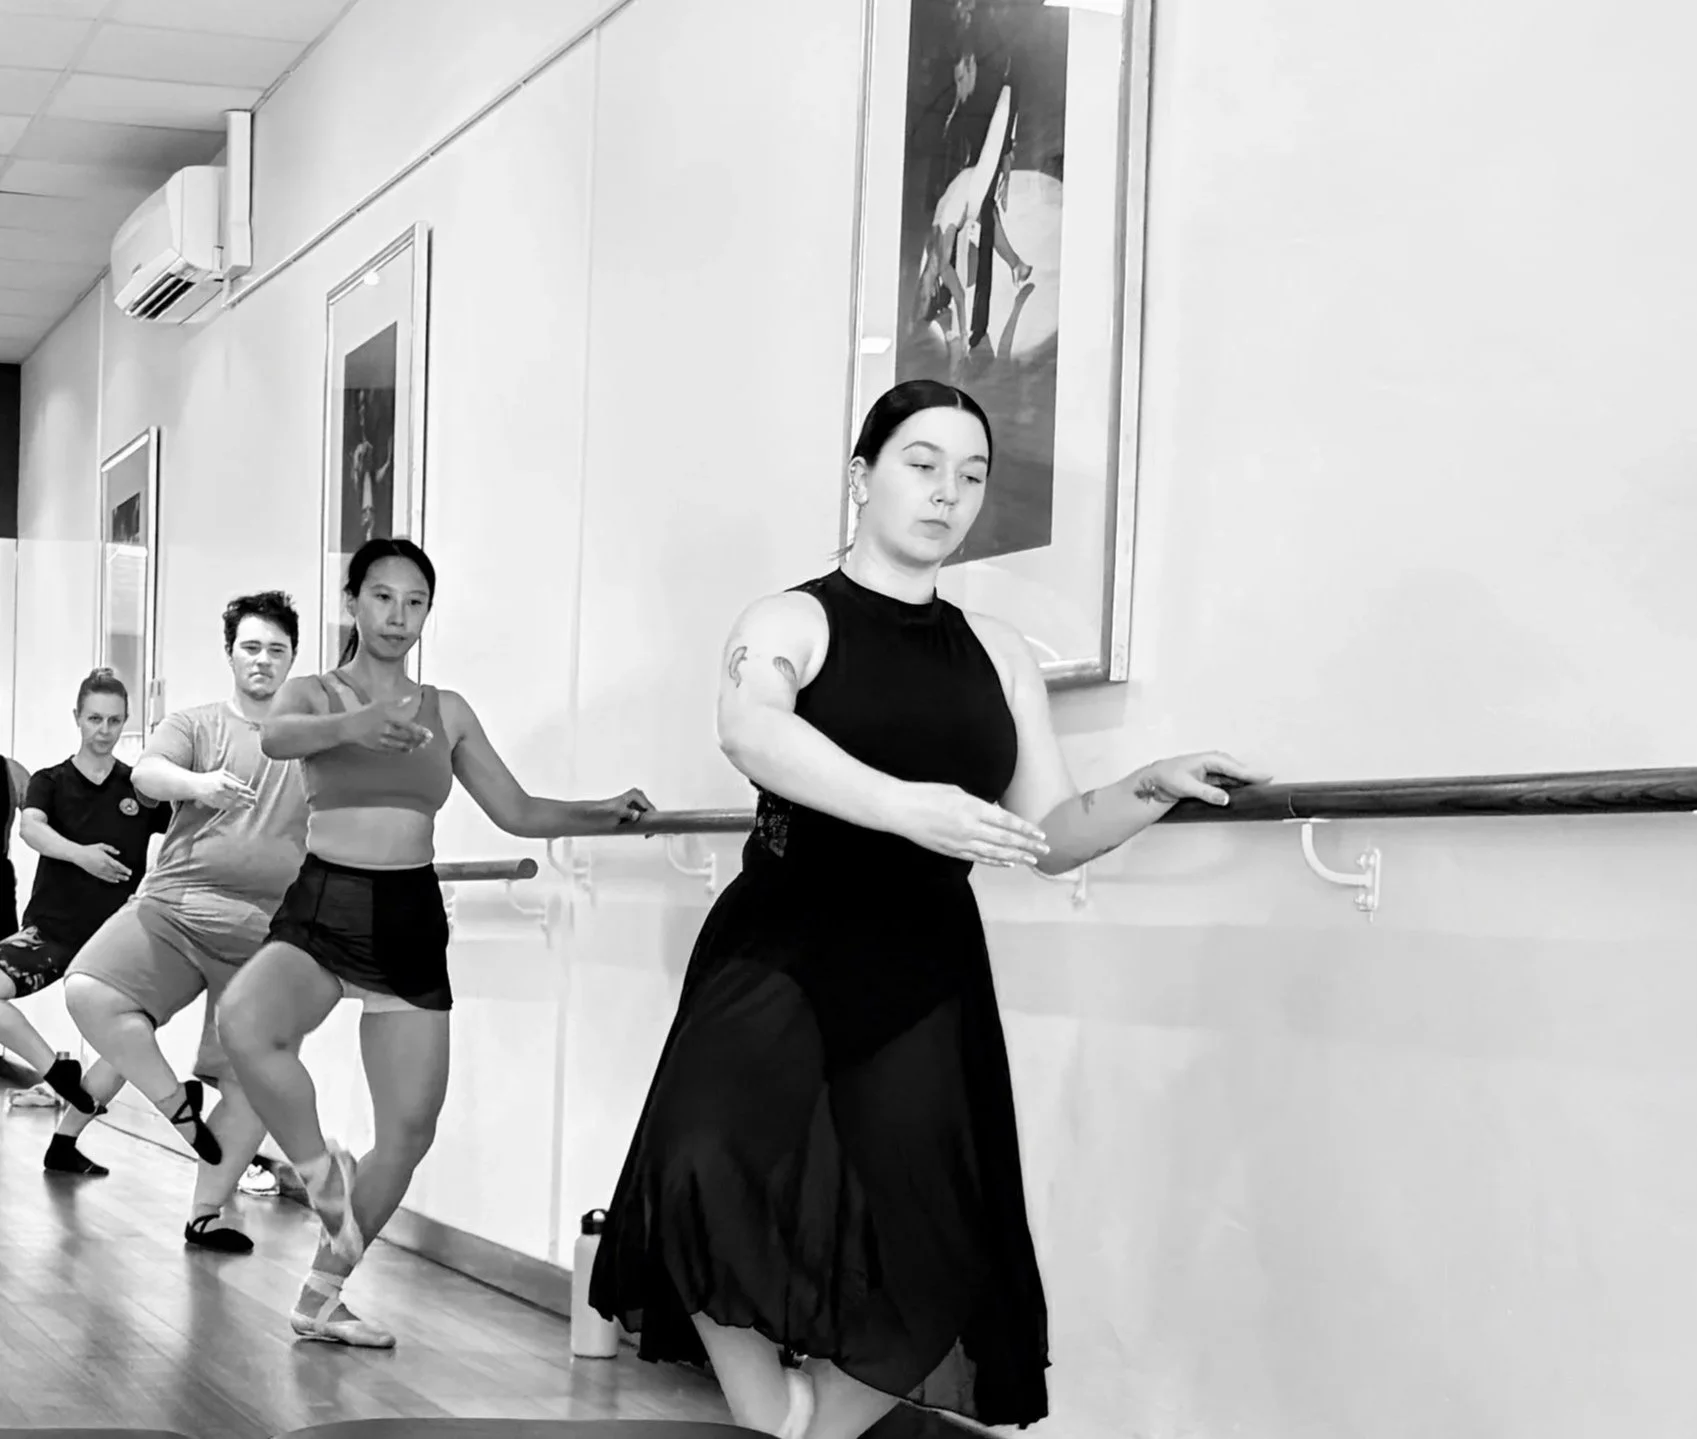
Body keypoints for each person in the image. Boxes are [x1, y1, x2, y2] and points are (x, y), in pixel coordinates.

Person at [587, 380, 1269, 1439]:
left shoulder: (997, 653)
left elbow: (1047, 831)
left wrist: (1150, 784)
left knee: (941, 1245)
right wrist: (909, 806)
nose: (947, 491)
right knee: (695, 1160)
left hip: (922, 962)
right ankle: (774, 1412)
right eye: (921, 463)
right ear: (862, 477)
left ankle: (812, 1428)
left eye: (971, 474)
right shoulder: (789, 620)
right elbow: (751, 730)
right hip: (781, 939)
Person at [218, 537, 655, 1349]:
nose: (398, 615)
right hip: (327, 900)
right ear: (352, 601)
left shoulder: (446, 710)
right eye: (382, 597)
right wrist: (358, 722)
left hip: (408, 912)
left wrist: (604, 812)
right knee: (245, 1021)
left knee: (409, 1128)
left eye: (414, 601)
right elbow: (277, 739)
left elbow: (516, 811)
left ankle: (321, 1297)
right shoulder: (316, 692)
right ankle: (319, 1173)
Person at [51, 591, 309, 1252]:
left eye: (276, 649)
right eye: (251, 647)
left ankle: (206, 1214)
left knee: (260, 1080)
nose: (262, 659)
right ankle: (177, 1107)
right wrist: (201, 785)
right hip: (176, 904)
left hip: (269, 934)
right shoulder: (196, 724)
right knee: (89, 990)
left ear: (291, 659)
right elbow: (147, 772)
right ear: (231, 653)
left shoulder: (311, 741)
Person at [0, 670, 169, 1126]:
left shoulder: (141, 789)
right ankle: (57, 1073)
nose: (104, 730)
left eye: (114, 720)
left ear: (126, 721)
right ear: (77, 717)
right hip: (51, 934)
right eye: (95, 718)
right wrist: (82, 856)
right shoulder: (50, 781)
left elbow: (182, 838)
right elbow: (31, 828)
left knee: (136, 1032)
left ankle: (69, 1136)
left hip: (110, 947)